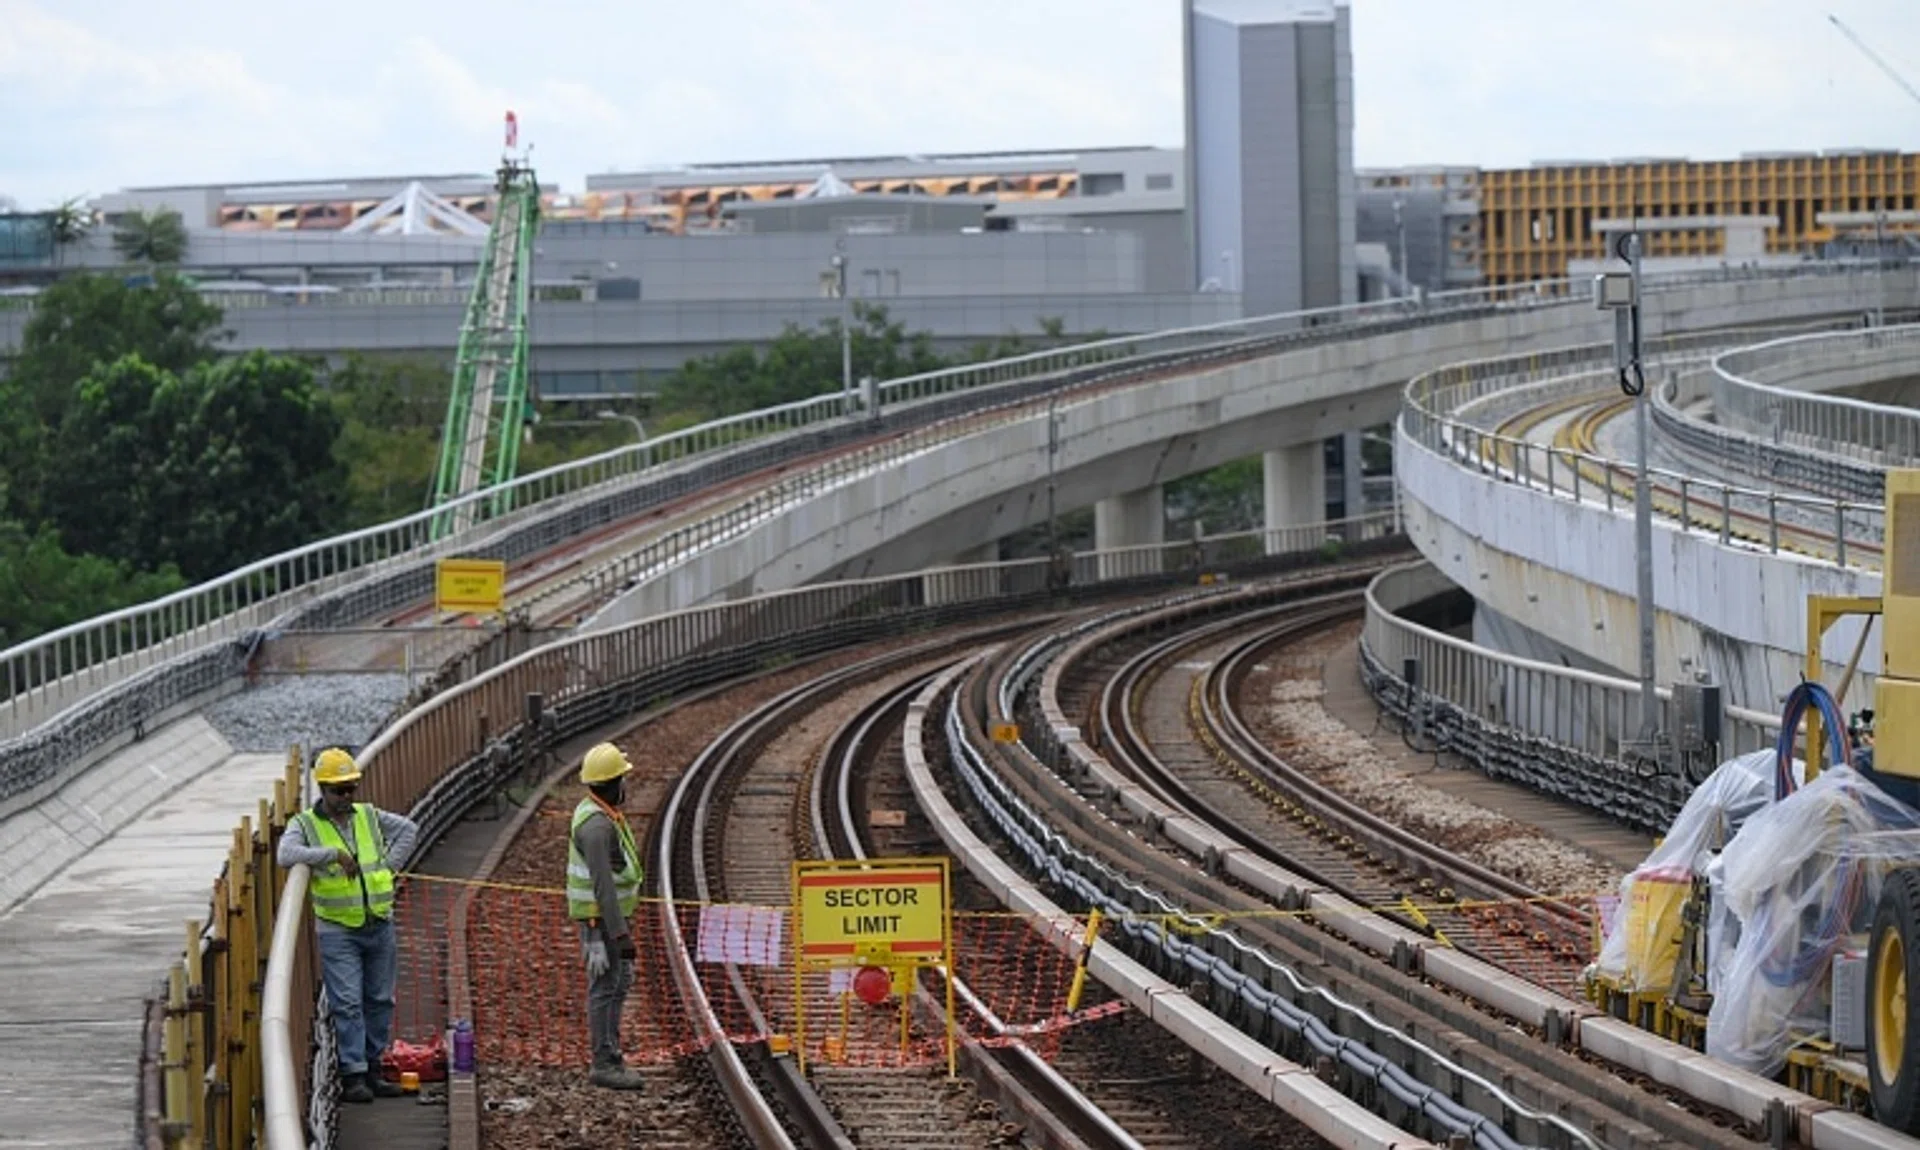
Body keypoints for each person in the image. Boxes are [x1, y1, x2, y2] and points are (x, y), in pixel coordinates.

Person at [276, 746, 420, 1104]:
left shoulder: (368, 816)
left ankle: (374, 1066)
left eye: (351, 788)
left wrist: (389, 868)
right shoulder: (305, 825)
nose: (347, 796)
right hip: (339, 929)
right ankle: (353, 1074)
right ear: (322, 790)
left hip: (378, 922)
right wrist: (331, 855)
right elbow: (285, 855)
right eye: (339, 790)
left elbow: (408, 830)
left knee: (380, 1000)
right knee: (348, 1003)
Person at [567, 742, 646, 1090]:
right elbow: (603, 886)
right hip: (600, 924)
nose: (626, 786)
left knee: (618, 982)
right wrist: (619, 934)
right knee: (606, 987)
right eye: (623, 779)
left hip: (606, 922)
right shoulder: (597, 827)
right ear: (613, 784)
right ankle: (604, 1061)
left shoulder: (600, 814)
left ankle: (611, 1055)